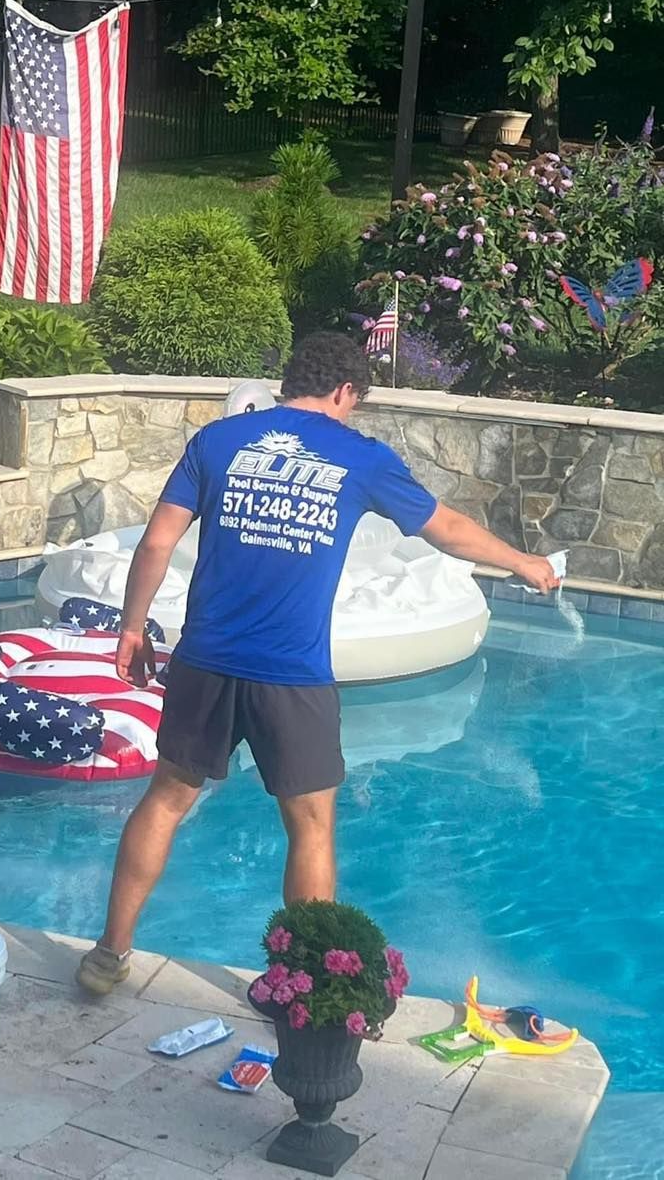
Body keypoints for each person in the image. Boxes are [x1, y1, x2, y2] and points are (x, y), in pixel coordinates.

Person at [77, 332, 558, 995]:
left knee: (165, 801)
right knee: (310, 827)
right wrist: (524, 562)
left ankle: (108, 955)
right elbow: (444, 527)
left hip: (206, 661)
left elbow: (158, 540)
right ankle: (304, 985)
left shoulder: (219, 442)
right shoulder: (361, 457)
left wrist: (132, 628)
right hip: (292, 677)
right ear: (344, 392)